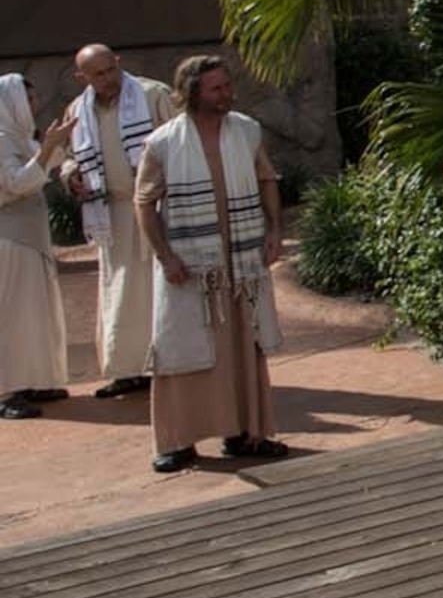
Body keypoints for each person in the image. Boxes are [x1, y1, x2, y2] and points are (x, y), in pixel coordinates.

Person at [134, 55, 288, 472]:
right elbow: (144, 203)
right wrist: (166, 257)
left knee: (244, 347)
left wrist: (274, 230)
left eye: (227, 85)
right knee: (182, 348)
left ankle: (245, 434)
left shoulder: (246, 130)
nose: (226, 94)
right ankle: (177, 442)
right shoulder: (164, 142)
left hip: (241, 263)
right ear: (192, 93)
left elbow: (267, 179)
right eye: (216, 88)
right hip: (191, 268)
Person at [57, 45, 172, 397]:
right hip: (112, 214)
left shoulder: (154, 95)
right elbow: (69, 156)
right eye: (99, 74)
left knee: (160, 289)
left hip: (158, 208)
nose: (108, 79)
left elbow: (181, 140)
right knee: (120, 293)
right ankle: (127, 370)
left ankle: (169, 366)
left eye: (111, 69)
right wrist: (72, 174)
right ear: (82, 78)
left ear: (119, 63)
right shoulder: (78, 110)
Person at [0, 77, 78, 420]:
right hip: (10, 239)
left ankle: (30, 380)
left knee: (32, 314)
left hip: (29, 238)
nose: (33, 105)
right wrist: (47, 148)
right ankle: (6, 390)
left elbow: (45, 165)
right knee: (11, 317)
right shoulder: (1, 139)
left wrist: (56, 144)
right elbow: (16, 183)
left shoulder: (16, 137)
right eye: (28, 99)